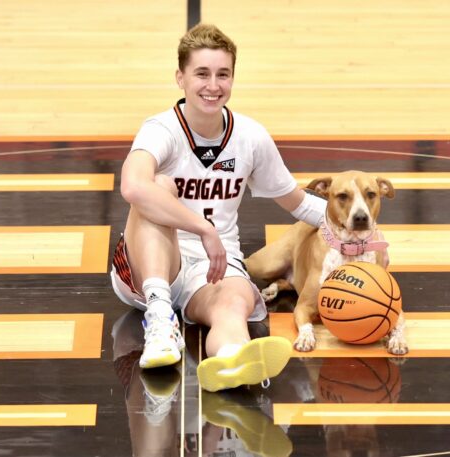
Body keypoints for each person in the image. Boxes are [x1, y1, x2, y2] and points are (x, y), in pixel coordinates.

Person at [110, 23, 326, 392]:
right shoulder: (160, 129)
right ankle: (160, 322)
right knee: (157, 185)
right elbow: (131, 186)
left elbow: (297, 201)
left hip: (213, 270)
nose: (213, 85)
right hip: (151, 267)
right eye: (202, 74)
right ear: (180, 78)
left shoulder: (250, 136)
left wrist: (361, 230)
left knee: (233, 304)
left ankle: (231, 363)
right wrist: (203, 228)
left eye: (223, 74)